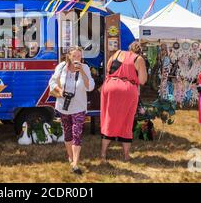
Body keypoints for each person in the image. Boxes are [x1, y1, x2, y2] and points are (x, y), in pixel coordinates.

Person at [49, 47, 95, 175]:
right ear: (68, 56)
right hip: (64, 106)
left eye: (79, 56)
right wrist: (59, 91)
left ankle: (75, 162)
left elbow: (90, 87)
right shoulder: (61, 67)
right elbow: (52, 82)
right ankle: (70, 157)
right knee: (67, 132)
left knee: (77, 133)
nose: (77, 59)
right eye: (74, 56)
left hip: (79, 106)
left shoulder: (84, 68)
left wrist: (82, 73)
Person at [100, 42, 148, 162]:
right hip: (126, 89)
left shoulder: (117, 53)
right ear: (140, 51)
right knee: (127, 121)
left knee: (109, 120)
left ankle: (103, 153)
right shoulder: (139, 59)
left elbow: (108, 69)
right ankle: (126, 155)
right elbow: (142, 80)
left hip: (110, 87)